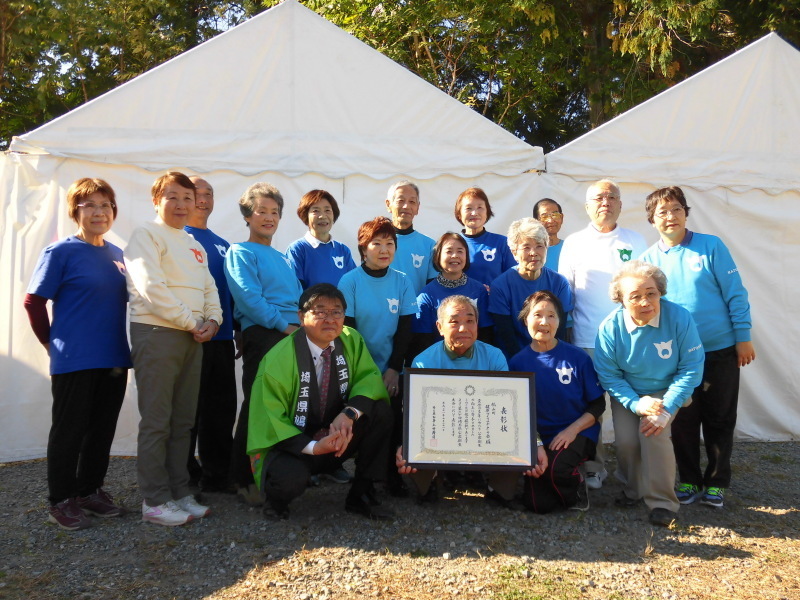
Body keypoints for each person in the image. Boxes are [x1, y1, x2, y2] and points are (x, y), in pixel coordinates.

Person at [24, 178, 132, 530]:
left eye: (105, 205)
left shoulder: (118, 254)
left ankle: (90, 491)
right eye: (90, 206)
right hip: (75, 357)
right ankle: (62, 499)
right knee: (70, 430)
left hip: (114, 356)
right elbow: (33, 301)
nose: (99, 212)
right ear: (76, 212)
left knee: (102, 428)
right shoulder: (61, 252)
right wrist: (48, 342)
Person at [640, 186, 755, 509]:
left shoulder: (711, 246)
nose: (670, 216)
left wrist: (743, 337)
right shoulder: (648, 260)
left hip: (721, 349)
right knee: (683, 420)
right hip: (676, 355)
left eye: (676, 209)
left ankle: (717, 482)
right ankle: (689, 480)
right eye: (662, 212)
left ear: (686, 212)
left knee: (720, 418)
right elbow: (647, 310)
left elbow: (735, 292)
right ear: (652, 220)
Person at [248, 284, 394, 520]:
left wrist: (349, 413)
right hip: (295, 445)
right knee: (288, 480)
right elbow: (269, 418)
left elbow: (369, 379)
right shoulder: (278, 360)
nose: (330, 319)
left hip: (337, 434)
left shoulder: (350, 339)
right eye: (320, 311)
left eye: (336, 312)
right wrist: (315, 447)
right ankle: (276, 501)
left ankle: (362, 493)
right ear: (301, 317)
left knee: (380, 412)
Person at [126, 172, 222, 526]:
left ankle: (179, 491)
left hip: (193, 336)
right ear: (156, 200)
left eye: (187, 197)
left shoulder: (193, 244)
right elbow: (151, 286)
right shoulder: (145, 236)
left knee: (183, 420)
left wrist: (212, 321)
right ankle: (154, 499)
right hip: (158, 333)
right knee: (157, 420)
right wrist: (190, 321)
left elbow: (209, 287)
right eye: (173, 197)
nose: (182, 205)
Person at [397, 295, 547, 505]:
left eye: (470, 321)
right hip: (440, 429)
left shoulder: (494, 357)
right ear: (439, 327)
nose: (463, 328)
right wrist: (406, 443)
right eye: (454, 321)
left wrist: (536, 443)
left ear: (477, 324)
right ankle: (430, 482)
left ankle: (495, 487)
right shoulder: (423, 361)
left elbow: (513, 410)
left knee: (516, 437)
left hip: (483, 425)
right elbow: (416, 417)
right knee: (414, 445)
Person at [594, 261, 704, 527]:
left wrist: (666, 407)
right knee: (628, 443)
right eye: (635, 296)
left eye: (651, 293)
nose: (645, 301)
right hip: (630, 391)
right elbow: (609, 375)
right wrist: (636, 403)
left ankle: (663, 503)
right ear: (621, 300)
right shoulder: (609, 328)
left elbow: (691, 368)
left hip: (669, 389)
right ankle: (634, 490)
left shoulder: (679, 318)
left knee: (655, 435)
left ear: (661, 292)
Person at [557, 179, 647, 489]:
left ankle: (633, 473)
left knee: (629, 410)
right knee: (588, 407)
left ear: (621, 205)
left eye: (612, 197)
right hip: (585, 340)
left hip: (631, 341)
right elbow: (564, 294)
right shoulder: (573, 242)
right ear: (587, 207)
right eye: (598, 197)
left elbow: (647, 293)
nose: (605, 202)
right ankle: (592, 466)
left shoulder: (636, 241)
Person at [224, 182, 303, 505]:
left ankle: (275, 473)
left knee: (284, 405)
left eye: (274, 212)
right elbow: (249, 299)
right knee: (257, 406)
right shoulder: (240, 252)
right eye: (261, 211)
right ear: (247, 215)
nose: (269, 218)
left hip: (293, 333)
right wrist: (284, 326)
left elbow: (296, 297)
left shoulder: (282, 256)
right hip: (267, 333)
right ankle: (241, 479)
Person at [338, 216, 417, 495]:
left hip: (392, 368)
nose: (384, 250)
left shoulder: (403, 282)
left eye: (390, 243)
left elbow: (405, 330)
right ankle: (366, 479)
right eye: (377, 243)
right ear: (363, 248)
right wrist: (371, 374)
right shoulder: (350, 281)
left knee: (394, 419)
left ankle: (392, 476)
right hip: (360, 368)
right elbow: (349, 333)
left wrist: (394, 369)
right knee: (370, 419)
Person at [508, 291, 605, 513]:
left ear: (560, 321)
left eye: (551, 316)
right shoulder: (518, 362)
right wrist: (536, 443)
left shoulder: (577, 357)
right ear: (526, 320)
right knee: (536, 505)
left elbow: (598, 405)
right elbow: (518, 412)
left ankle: (578, 488)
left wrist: (572, 431)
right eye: (537, 315)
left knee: (556, 469)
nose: (544, 322)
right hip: (539, 437)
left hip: (576, 432)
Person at [183, 176, 237, 494]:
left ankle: (217, 473)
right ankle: (184, 473)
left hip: (222, 338)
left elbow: (231, 295)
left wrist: (238, 330)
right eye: (197, 194)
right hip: (189, 338)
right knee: (188, 409)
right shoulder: (176, 238)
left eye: (209, 194)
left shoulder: (223, 244)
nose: (203, 199)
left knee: (221, 408)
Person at [489, 218, 573, 360]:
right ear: (514, 252)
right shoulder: (500, 286)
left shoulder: (559, 283)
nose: (533, 253)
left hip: (552, 356)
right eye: (526, 247)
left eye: (539, 246)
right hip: (513, 359)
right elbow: (506, 335)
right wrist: (526, 364)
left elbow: (559, 331)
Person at [413, 232, 493, 353]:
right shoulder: (426, 296)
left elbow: (486, 333)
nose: (455, 255)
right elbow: (422, 341)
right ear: (437, 256)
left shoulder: (479, 290)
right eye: (449, 251)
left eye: (460, 251)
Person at [286, 189, 357, 289]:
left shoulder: (343, 250)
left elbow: (353, 285)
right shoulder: (297, 249)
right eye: (316, 211)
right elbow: (294, 289)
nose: (322, 216)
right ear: (305, 215)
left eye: (327, 210)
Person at [454, 187, 516, 285]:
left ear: (487, 212)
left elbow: (512, 279)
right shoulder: (452, 244)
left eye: (480, 207)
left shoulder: (502, 243)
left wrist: (494, 291)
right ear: (459, 214)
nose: (474, 213)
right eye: (468, 208)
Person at [385, 180, 437, 294]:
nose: (406, 206)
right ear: (389, 205)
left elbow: (432, 288)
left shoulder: (429, 245)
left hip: (415, 310)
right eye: (401, 200)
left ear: (418, 207)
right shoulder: (376, 243)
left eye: (412, 201)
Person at [533, 198, 565, 271]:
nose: (550, 220)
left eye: (555, 215)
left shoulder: (570, 247)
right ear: (536, 221)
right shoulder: (531, 251)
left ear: (562, 218)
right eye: (544, 216)